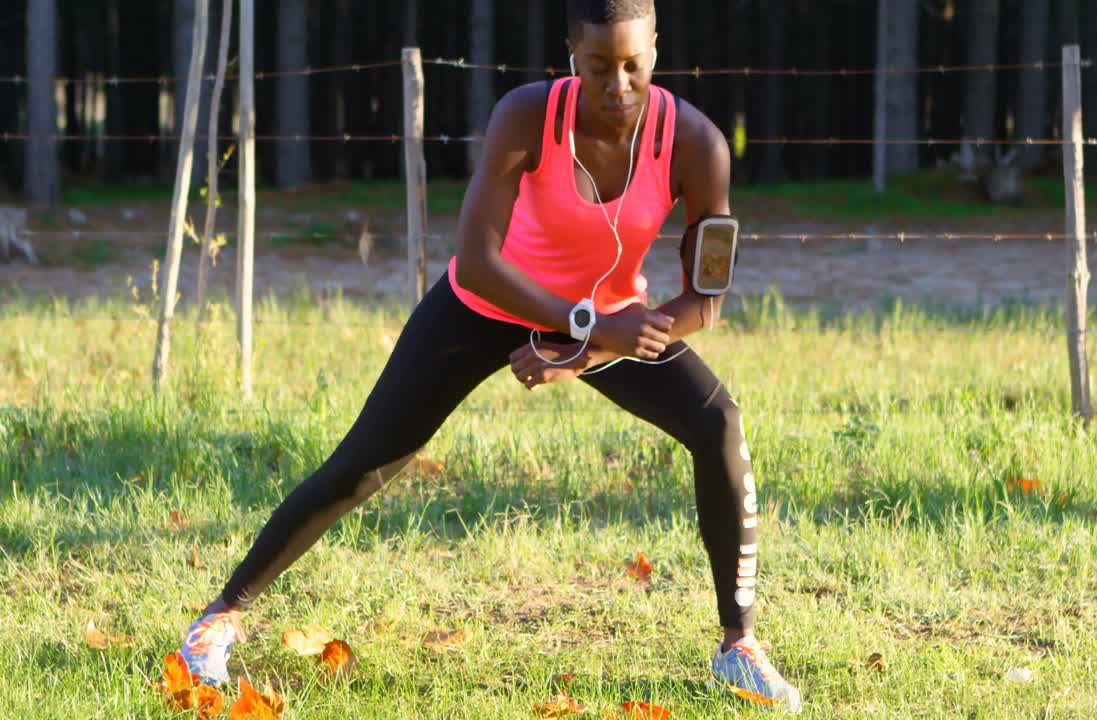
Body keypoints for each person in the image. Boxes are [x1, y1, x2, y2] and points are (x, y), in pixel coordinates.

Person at [177, 0, 801, 712]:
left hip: (609, 322)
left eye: (633, 65)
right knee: (362, 467)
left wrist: (587, 349)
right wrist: (585, 326)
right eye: (599, 66)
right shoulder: (527, 116)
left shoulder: (698, 145)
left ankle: (739, 646)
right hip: (485, 308)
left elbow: (706, 298)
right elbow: (476, 263)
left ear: (656, 50)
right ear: (571, 54)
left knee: (718, 423)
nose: (618, 85)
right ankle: (217, 619)